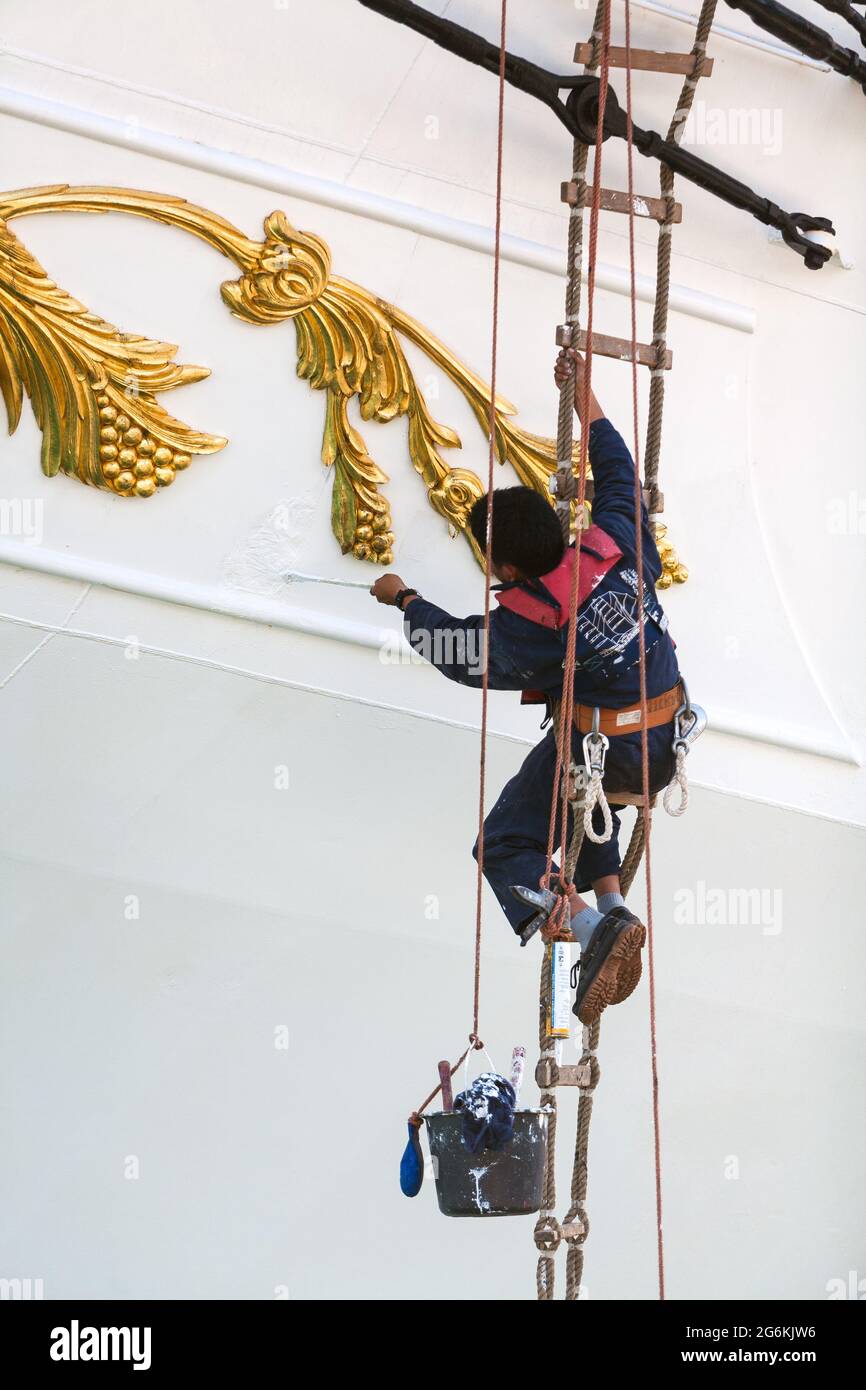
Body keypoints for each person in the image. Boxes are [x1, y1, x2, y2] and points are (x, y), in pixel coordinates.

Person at [371, 349, 682, 1023]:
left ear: (506, 565)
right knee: (575, 778)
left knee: (505, 843)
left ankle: (595, 932)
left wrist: (404, 599)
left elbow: (456, 652)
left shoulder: (530, 627)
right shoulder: (618, 538)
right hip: (664, 743)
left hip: (613, 752)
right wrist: (583, 395)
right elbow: (618, 467)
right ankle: (613, 904)